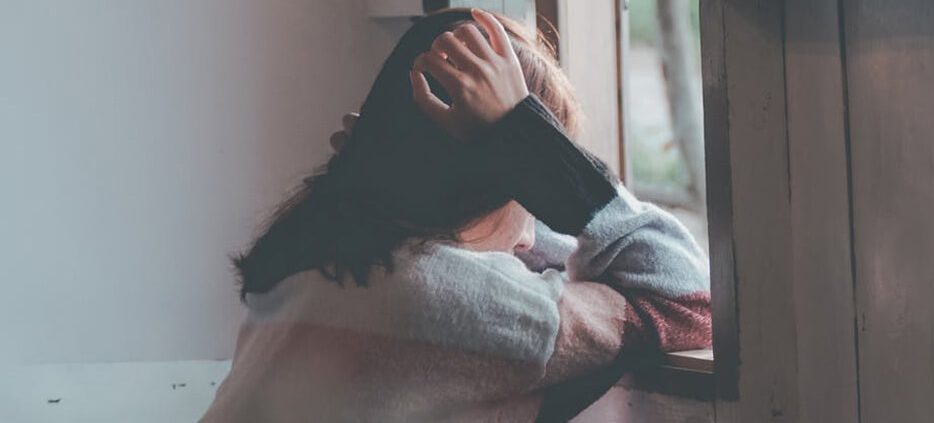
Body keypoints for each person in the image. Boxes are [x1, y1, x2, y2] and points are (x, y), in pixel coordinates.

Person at [200, 8, 710, 423]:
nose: (533, 236)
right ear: (491, 187)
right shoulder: (449, 303)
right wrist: (532, 144)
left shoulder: (310, 263)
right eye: (528, 198)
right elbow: (689, 300)